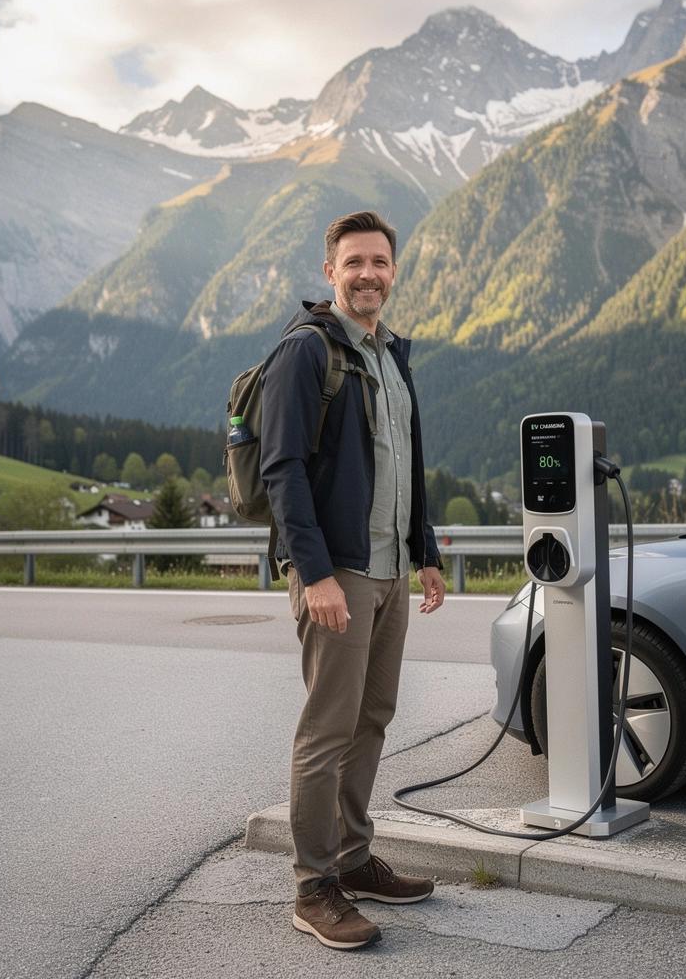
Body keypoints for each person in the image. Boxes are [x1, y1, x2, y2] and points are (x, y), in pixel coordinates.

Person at [260, 210, 446, 951]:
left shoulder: (391, 354)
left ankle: (354, 857)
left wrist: (424, 549)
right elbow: (283, 470)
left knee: (372, 719)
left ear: (393, 271)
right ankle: (313, 886)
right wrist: (315, 574)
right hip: (338, 572)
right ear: (330, 270)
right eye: (354, 262)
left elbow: (408, 461)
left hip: (392, 570)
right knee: (327, 729)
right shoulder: (306, 353)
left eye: (380, 261)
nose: (368, 273)